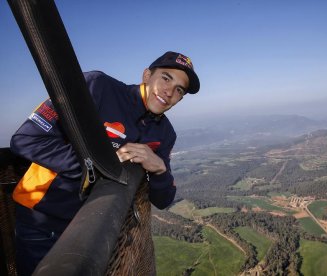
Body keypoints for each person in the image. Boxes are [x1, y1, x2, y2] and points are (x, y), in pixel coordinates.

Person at [10, 51, 200, 275]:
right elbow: (26, 140)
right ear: (147, 75)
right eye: (166, 78)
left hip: (99, 232)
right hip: (43, 220)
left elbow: (163, 199)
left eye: (180, 90)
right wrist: (102, 163)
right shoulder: (96, 87)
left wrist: (159, 169)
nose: (170, 92)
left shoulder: (165, 133)